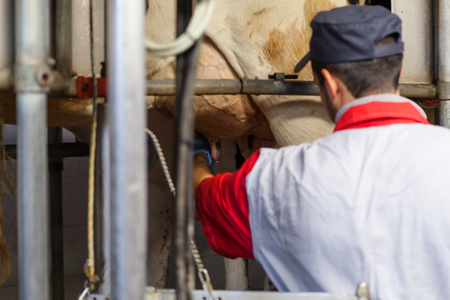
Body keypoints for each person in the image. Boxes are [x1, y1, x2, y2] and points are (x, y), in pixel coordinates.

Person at [193, 5, 450, 299]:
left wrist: (196, 154)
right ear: (399, 70)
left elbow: (205, 197)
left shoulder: (277, 178)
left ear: (327, 83)